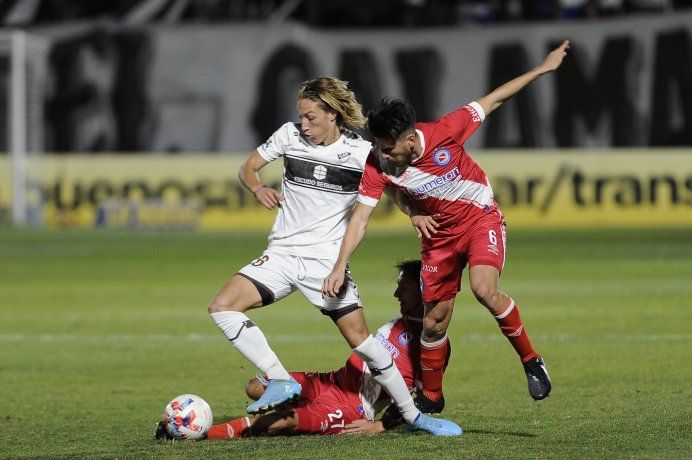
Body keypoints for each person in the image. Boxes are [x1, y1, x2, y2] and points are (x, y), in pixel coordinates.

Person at [323, 41, 571, 410]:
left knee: (484, 289)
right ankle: (432, 398)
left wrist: (542, 69)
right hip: (439, 239)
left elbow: (495, 99)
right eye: (378, 147)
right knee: (434, 323)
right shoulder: (378, 164)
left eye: (388, 148)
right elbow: (360, 218)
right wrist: (340, 264)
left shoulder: (446, 131)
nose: (383, 155)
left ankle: (532, 361)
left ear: (410, 140)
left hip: (479, 220)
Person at [207, 77, 460, 436]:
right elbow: (247, 168)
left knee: (365, 345)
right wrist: (258, 186)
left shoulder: (361, 154)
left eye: (311, 117)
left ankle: (415, 415)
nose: (304, 124)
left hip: (325, 264)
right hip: (281, 253)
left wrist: (414, 213)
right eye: (301, 117)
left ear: (333, 114)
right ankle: (280, 380)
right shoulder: (287, 136)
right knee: (222, 307)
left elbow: (394, 190)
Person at [158, 260, 441, 440]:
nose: (396, 294)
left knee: (285, 422)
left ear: (421, 291)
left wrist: (380, 426)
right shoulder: (398, 324)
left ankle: (204, 434)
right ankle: (307, 408)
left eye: (403, 288)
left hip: (349, 406)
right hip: (331, 381)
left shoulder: (430, 342)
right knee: (255, 386)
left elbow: (426, 396)